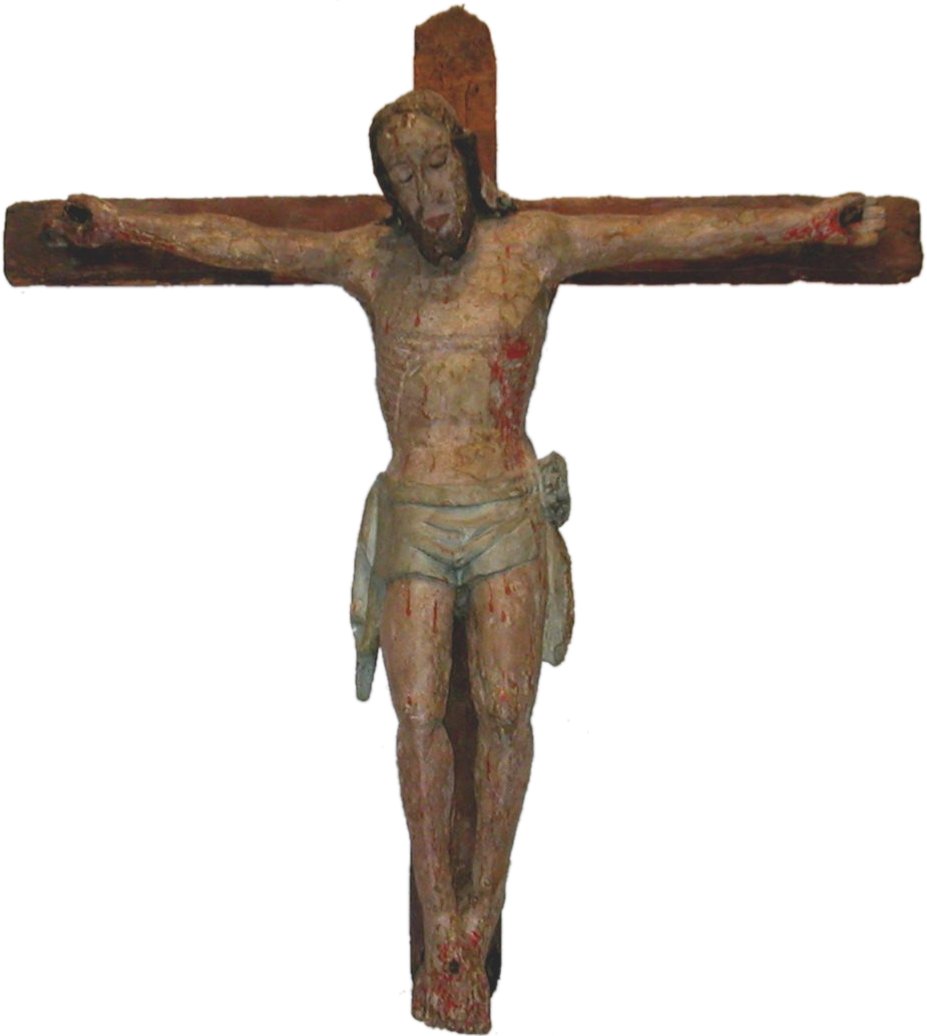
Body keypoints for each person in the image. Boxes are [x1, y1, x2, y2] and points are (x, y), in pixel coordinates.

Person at [52, 90, 885, 1034]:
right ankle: (440, 916)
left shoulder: (533, 246)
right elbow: (247, 243)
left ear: (469, 160)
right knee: (416, 718)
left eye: (438, 166)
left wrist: (807, 225)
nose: (427, 194)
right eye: (403, 178)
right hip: (415, 510)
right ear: (388, 192)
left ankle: (479, 910)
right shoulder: (371, 258)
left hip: (502, 511)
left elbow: (671, 234)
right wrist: (120, 226)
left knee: (503, 712)